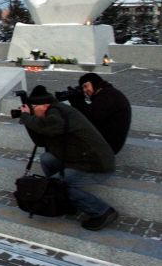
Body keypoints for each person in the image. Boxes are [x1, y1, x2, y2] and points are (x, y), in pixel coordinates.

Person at [19, 85, 118, 231]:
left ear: (45, 105)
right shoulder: (50, 115)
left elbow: (50, 126)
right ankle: (62, 198)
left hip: (95, 164)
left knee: (56, 186)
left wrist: (27, 118)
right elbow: (40, 142)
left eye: (33, 107)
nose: (32, 111)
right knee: (47, 158)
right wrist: (28, 120)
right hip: (77, 159)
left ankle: (102, 211)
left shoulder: (58, 113)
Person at [67, 73, 132, 154]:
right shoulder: (107, 93)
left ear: (94, 83)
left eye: (86, 86)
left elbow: (90, 118)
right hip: (107, 142)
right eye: (82, 88)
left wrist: (77, 101)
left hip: (106, 147)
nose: (84, 90)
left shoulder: (108, 95)